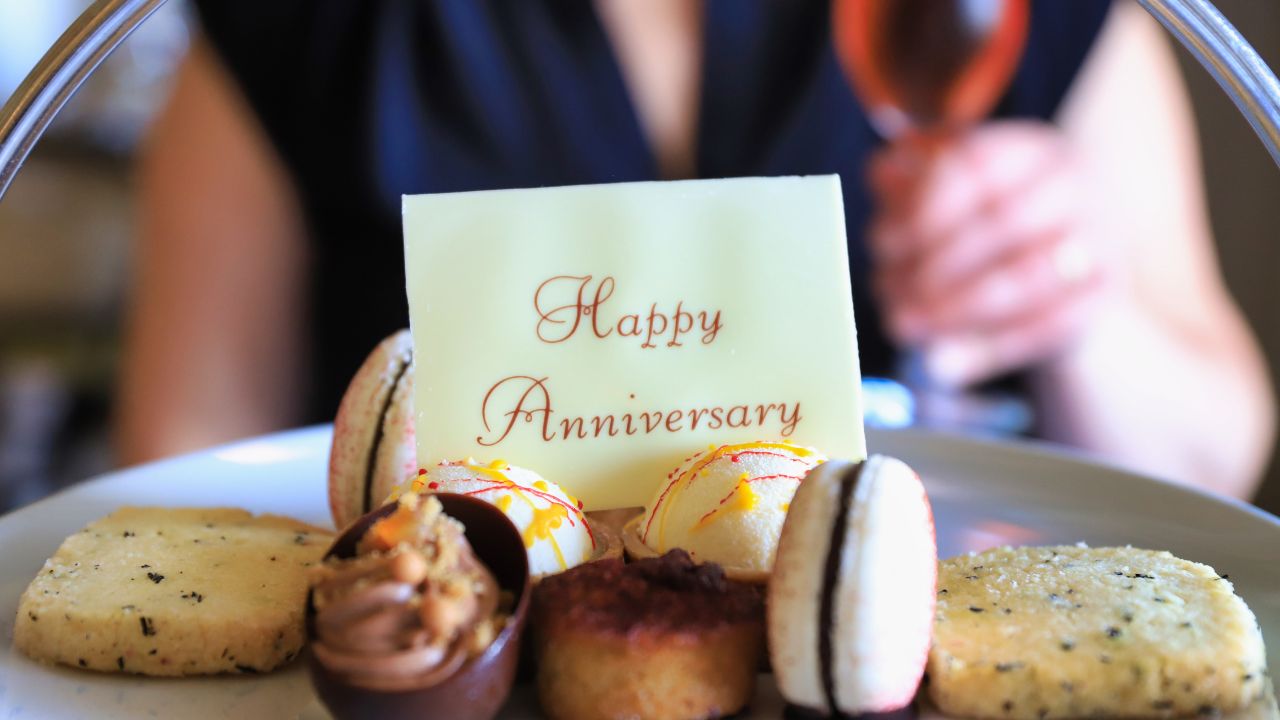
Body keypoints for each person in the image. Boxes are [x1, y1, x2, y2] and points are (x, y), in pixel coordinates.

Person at [117, 0, 1274, 500]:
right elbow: (180, 467)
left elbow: (1204, 461)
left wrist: (1073, 303)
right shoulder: (306, 32)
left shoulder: (1026, 21)